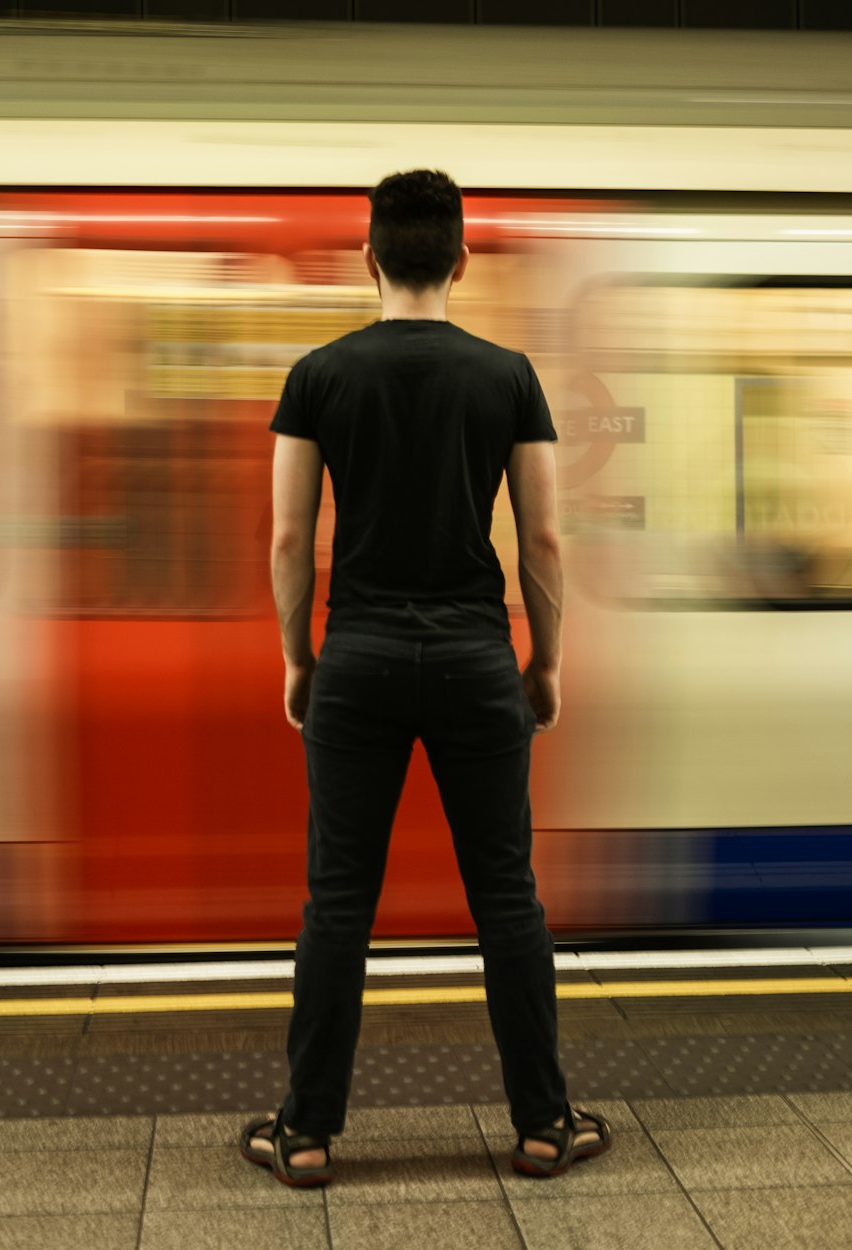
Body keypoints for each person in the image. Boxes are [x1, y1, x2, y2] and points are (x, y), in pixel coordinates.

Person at [239, 170, 611, 1187]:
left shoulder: (316, 374)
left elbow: (285, 537)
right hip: (470, 656)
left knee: (337, 904)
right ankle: (542, 1122)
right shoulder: (508, 375)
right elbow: (540, 534)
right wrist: (545, 662)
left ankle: (306, 1131)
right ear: (458, 258)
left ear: (370, 258)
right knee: (505, 896)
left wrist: (298, 658)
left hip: (355, 656)